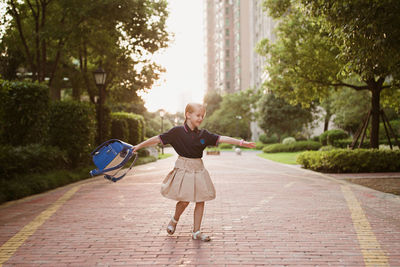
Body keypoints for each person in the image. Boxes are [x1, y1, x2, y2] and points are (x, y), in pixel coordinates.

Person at [133, 103, 256, 241]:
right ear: (188, 115)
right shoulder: (176, 132)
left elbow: (221, 138)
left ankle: (196, 232)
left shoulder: (203, 134)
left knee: (200, 199)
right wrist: (138, 146)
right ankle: (174, 219)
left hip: (198, 169)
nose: (201, 118)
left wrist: (241, 143)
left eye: (202, 116)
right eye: (198, 115)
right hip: (183, 167)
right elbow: (157, 139)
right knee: (184, 200)